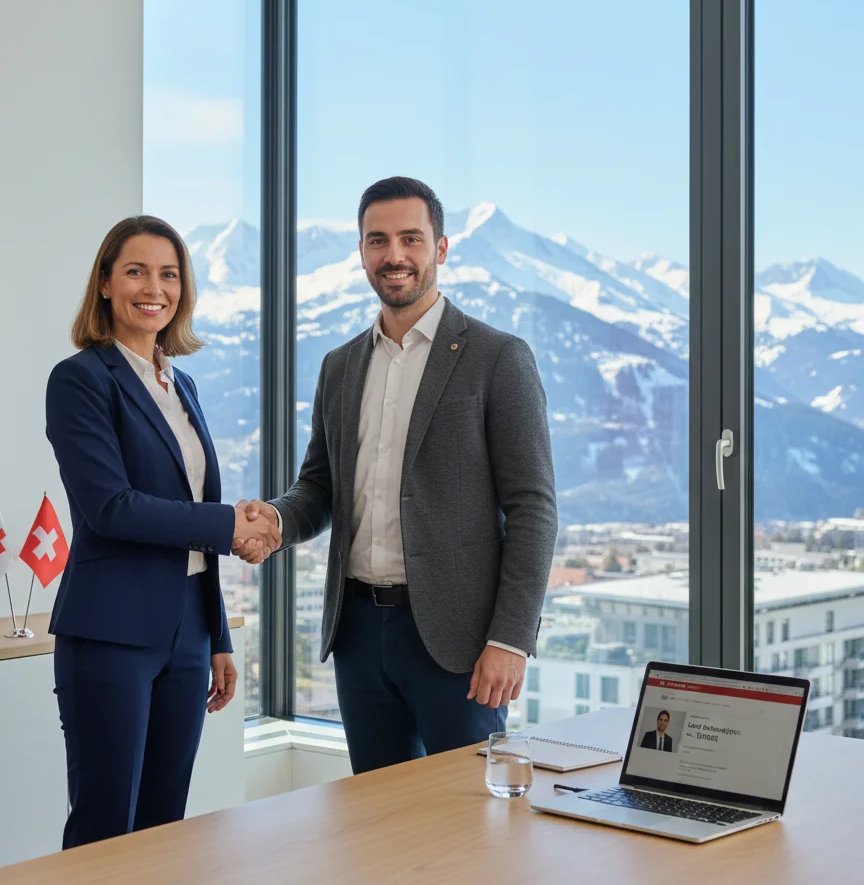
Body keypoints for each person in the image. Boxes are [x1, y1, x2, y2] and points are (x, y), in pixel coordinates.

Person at [236, 176, 558, 773]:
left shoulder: (497, 357)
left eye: (411, 238)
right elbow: (321, 486)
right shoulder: (339, 366)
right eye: (377, 240)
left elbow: (534, 508)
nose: (394, 255)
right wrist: (278, 520)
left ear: (441, 247)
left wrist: (509, 641)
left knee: (466, 829)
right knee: (377, 829)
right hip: (358, 634)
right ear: (361, 252)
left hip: (457, 644)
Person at [46, 215, 278, 848]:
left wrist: (218, 636)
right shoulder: (81, 380)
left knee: (164, 829)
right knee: (103, 828)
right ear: (104, 283)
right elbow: (112, 508)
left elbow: (190, 515)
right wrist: (233, 525)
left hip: (189, 635)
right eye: (136, 271)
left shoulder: (183, 383)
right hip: (110, 632)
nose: (155, 288)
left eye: (169, 274)